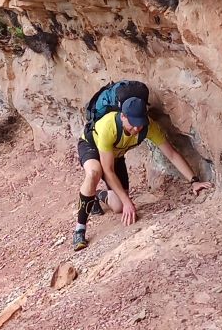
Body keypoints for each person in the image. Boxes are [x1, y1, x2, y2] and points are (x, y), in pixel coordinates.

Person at [73, 87, 210, 250]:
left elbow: (172, 154)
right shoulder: (108, 126)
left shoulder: (148, 127)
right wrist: (128, 201)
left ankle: (95, 194)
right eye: (133, 123)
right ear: (123, 116)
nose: (137, 129)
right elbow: (107, 170)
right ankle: (79, 229)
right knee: (95, 172)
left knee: (118, 207)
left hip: (115, 155)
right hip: (92, 146)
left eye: (140, 123)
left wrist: (194, 181)